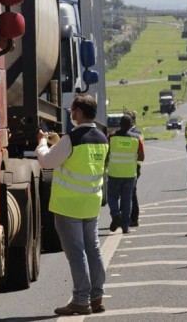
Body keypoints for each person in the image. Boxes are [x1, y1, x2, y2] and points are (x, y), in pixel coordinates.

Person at [35, 93, 109, 316]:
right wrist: (60, 144)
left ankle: (80, 299)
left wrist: (41, 142)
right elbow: (79, 162)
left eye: (71, 111)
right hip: (91, 203)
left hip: (68, 205)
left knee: (76, 253)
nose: (71, 114)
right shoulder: (102, 138)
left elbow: (47, 161)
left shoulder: (72, 138)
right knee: (92, 249)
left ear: (77, 112)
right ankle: (96, 296)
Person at [107, 114, 145, 234]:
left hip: (114, 173)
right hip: (130, 174)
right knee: (127, 200)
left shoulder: (111, 137)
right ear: (131, 125)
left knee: (112, 196)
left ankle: (115, 214)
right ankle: (125, 227)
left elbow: (106, 152)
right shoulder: (137, 138)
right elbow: (142, 157)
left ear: (120, 124)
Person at [128, 111, 143, 227]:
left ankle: (134, 218)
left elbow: (141, 154)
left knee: (132, 193)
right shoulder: (126, 132)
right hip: (125, 167)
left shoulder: (137, 133)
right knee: (126, 193)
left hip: (134, 167)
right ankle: (126, 217)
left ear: (132, 120)